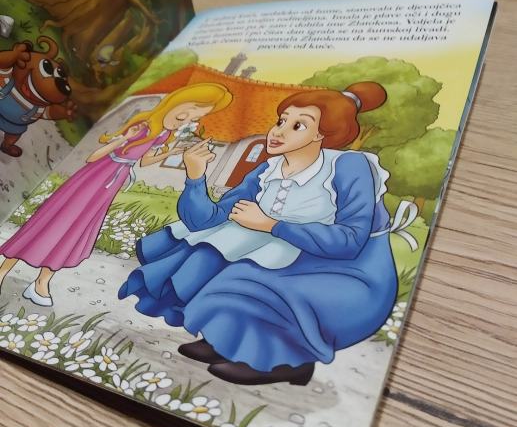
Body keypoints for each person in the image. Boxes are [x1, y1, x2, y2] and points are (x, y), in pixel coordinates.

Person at [119, 83, 408, 386]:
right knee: (207, 253)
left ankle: (287, 361)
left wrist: (272, 225)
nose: (278, 131)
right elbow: (207, 220)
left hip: (344, 272)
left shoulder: (349, 166)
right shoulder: (268, 170)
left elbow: (350, 241)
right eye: (282, 120)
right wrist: (195, 176)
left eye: (298, 125)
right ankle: (227, 340)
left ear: (322, 134)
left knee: (245, 279)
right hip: (288, 254)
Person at [0, 83, 232, 306]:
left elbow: (143, 161)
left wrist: (170, 152)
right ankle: (3, 270)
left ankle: (42, 281)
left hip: (109, 187)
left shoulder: (163, 134)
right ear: (177, 101)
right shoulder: (142, 125)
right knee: (54, 222)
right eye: (189, 111)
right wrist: (122, 139)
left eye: (196, 117)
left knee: (76, 228)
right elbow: (93, 157)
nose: (188, 119)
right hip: (92, 178)